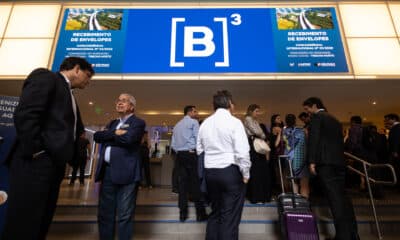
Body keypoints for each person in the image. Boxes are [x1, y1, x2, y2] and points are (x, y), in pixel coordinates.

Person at [1, 57, 94, 240]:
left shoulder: (70, 95)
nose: (88, 81)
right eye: (88, 75)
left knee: (40, 220)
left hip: (52, 167)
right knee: (24, 221)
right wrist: (37, 152)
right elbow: (26, 115)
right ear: (76, 69)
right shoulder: (46, 78)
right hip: (34, 164)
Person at [197, 90, 251, 240]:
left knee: (215, 213)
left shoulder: (205, 123)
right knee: (229, 218)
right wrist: (246, 174)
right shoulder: (234, 122)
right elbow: (242, 152)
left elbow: (199, 150)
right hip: (230, 172)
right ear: (229, 104)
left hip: (210, 173)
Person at [304, 97, 359, 240]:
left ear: (314, 106)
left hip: (325, 163)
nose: (307, 112)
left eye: (307, 108)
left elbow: (314, 139)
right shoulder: (334, 119)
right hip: (339, 162)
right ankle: (353, 234)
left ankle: (343, 236)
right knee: (343, 199)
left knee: (335, 200)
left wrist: (312, 161)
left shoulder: (317, 117)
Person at [94, 93, 146, 240]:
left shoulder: (138, 123)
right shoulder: (112, 124)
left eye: (124, 101)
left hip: (127, 174)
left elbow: (129, 139)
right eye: (118, 101)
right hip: (108, 173)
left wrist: (109, 135)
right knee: (105, 213)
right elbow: (98, 136)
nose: (119, 103)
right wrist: (116, 132)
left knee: (124, 214)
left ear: (132, 107)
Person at [171, 105, 207, 222]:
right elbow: (198, 139)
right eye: (195, 111)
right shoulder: (194, 122)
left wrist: (180, 151)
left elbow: (173, 145)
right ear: (190, 112)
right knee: (195, 184)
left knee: (182, 185)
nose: (197, 113)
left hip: (180, 156)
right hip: (191, 155)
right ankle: (200, 214)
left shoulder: (177, 125)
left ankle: (183, 214)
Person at [243, 104, 272, 203]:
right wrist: (262, 134)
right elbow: (258, 132)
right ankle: (257, 196)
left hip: (257, 145)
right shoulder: (248, 119)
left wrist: (262, 134)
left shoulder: (254, 120)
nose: (258, 113)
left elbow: (260, 133)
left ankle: (262, 196)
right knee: (256, 171)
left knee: (260, 170)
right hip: (253, 145)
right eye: (256, 111)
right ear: (251, 111)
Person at [283, 114, 309, 198]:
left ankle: (296, 200)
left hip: (288, 157)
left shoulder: (284, 131)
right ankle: (305, 201)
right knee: (304, 180)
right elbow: (306, 143)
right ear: (295, 121)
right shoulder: (301, 131)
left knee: (293, 180)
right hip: (301, 157)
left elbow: (283, 143)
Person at [384, 113, 400, 188]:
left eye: (387, 120)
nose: (386, 121)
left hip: (396, 153)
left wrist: (395, 151)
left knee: (397, 169)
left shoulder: (396, 127)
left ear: (394, 119)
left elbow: (396, 140)